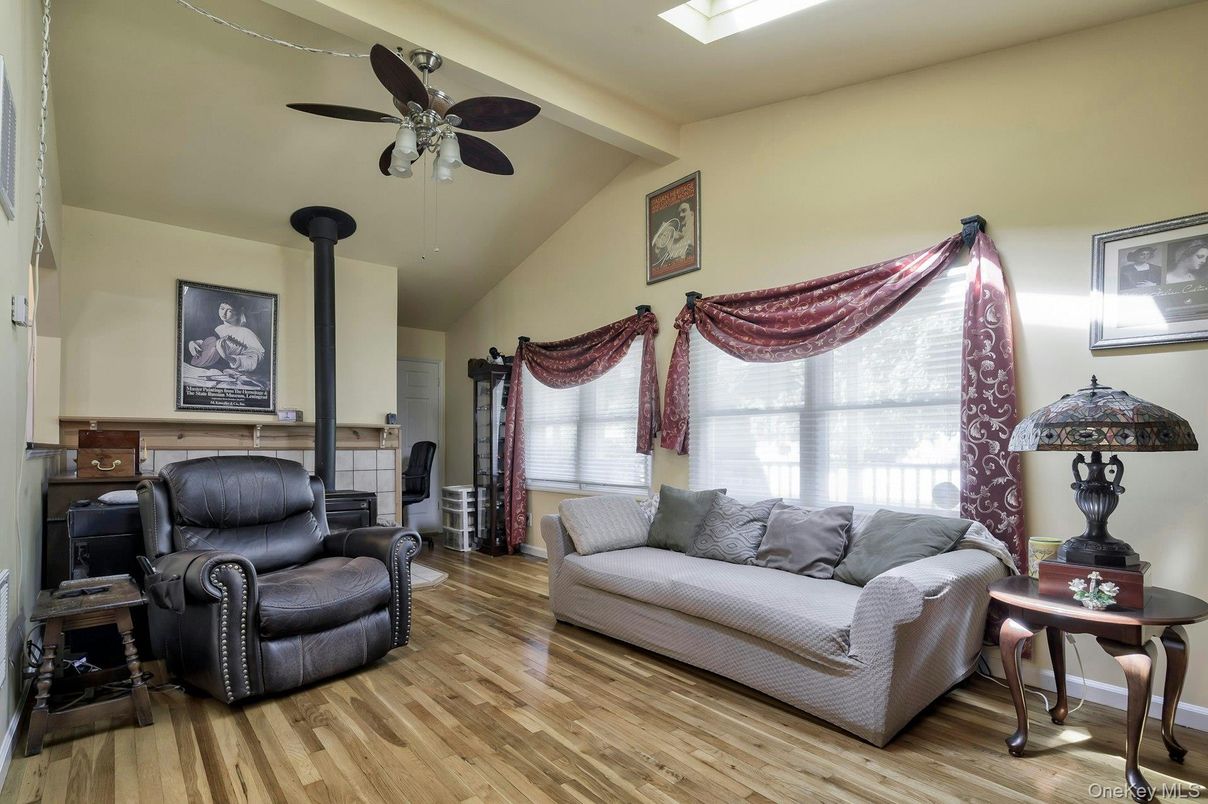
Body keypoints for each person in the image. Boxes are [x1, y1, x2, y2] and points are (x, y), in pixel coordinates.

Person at [188, 300, 266, 373]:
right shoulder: (218, 329)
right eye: (222, 308)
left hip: (233, 375)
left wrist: (229, 357)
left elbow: (257, 358)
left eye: (229, 310)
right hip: (210, 370)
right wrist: (194, 343)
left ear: (238, 312)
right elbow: (210, 345)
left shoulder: (246, 333)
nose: (224, 313)